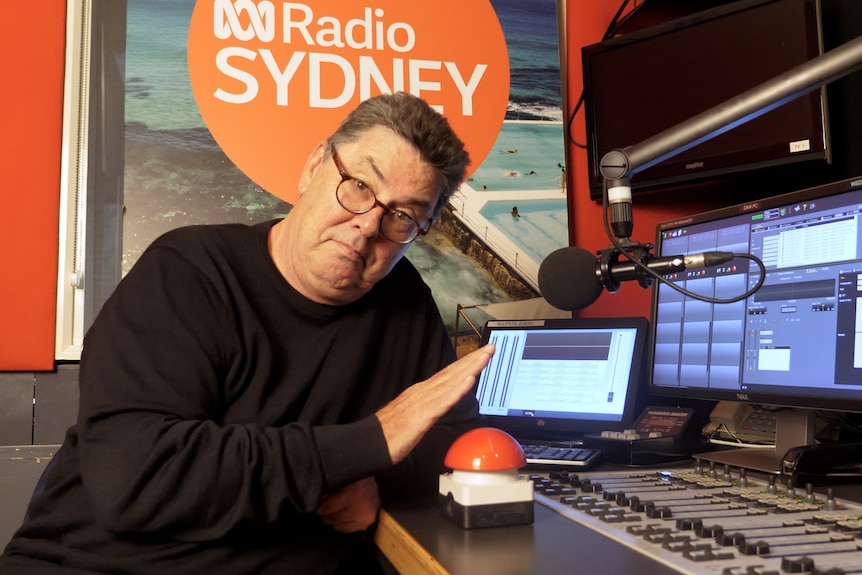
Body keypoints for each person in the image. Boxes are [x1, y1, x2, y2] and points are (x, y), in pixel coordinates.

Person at [0, 92, 495, 575]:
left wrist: (378, 480)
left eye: (403, 216)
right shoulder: (186, 272)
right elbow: (136, 480)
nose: (369, 225)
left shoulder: (404, 300)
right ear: (314, 165)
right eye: (360, 186)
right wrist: (369, 443)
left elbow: (455, 439)